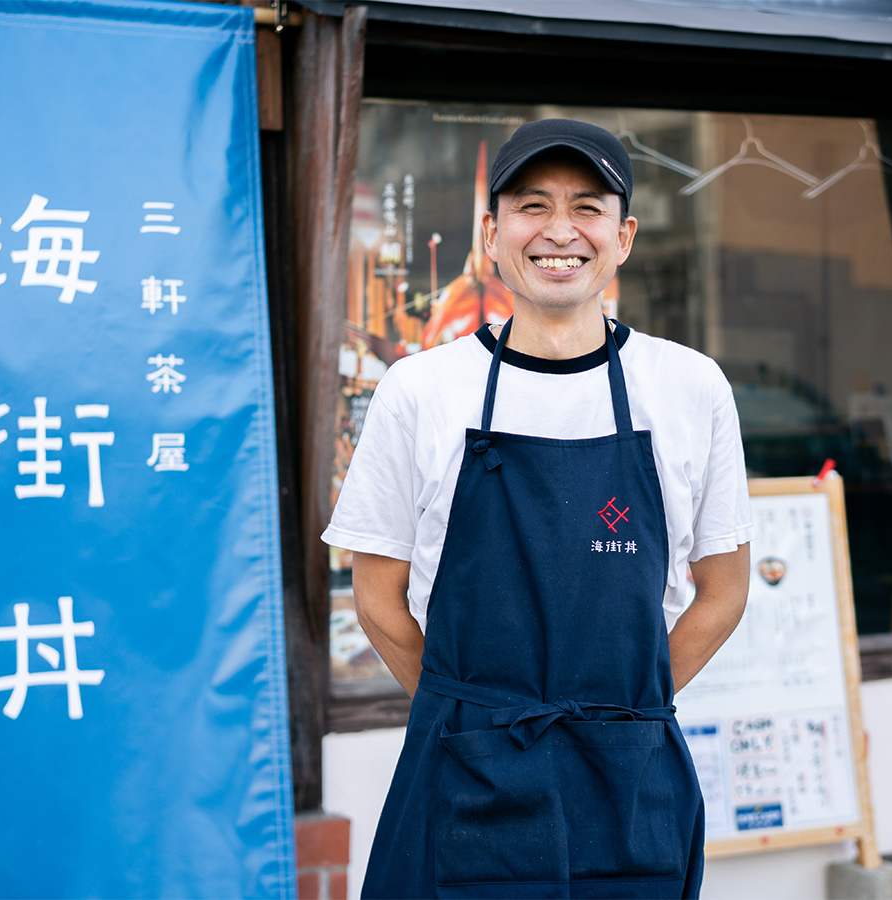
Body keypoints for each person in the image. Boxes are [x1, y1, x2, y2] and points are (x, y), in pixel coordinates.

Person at [322, 118, 753, 899]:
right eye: (532, 206)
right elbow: (377, 596)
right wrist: (468, 713)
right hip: (465, 774)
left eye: (587, 208)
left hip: (628, 781)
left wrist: (631, 705)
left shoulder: (690, 388)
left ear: (622, 236)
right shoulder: (421, 391)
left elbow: (723, 589)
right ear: (492, 233)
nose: (561, 232)